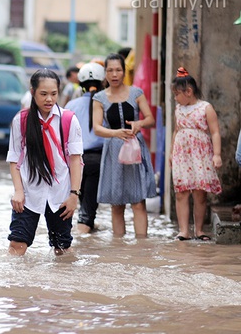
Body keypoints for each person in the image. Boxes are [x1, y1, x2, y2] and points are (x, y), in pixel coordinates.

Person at [6, 69, 83, 256]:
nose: (49, 99)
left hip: (60, 194)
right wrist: (18, 190)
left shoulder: (68, 120)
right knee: (17, 245)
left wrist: (74, 194)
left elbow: (76, 160)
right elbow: (14, 157)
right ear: (32, 92)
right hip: (29, 193)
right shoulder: (21, 120)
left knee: (63, 249)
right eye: (43, 94)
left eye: (54, 94)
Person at [92, 53, 156, 238]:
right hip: (113, 151)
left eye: (118, 70)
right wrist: (115, 133)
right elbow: (97, 128)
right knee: (117, 203)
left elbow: (150, 118)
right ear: (105, 73)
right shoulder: (99, 98)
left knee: (138, 201)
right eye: (110, 70)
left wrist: (139, 124)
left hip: (135, 149)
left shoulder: (136, 93)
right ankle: (119, 248)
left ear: (124, 71)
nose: (114, 74)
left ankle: (142, 248)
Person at [170, 67, 222, 241]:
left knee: (200, 192)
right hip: (181, 154)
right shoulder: (178, 109)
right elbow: (176, 131)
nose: (175, 98)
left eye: (177, 94)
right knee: (181, 192)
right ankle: (184, 230)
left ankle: (199, 230)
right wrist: (171, 152)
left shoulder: (206, 108)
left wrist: (217, 154)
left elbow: (215, 132)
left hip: (201, 155)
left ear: (189, 91)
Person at [65, 62, 106, 234]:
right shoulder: (106, 103)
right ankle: (85, 226)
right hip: (97, 159)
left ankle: (85, 226)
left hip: (75, 161)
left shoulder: (70, 106)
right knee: (88, 207)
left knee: (82, 202)